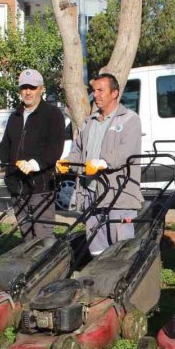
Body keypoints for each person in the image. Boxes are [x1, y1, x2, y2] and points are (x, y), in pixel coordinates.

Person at [60, 73, 142, 256]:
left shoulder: (129, 119)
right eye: (94, 90)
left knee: (121, 250)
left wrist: (103, 162)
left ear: (114, 93)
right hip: (91, 194)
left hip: (118, 195)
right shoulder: (88, 123)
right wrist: (68, 162)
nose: (95, 95)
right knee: (96, 248)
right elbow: (78, 150)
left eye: (100, 90)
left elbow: (126, 151)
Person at [0, 69, 65, 240]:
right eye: (24, 88)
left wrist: (35, 164)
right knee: (26, 236)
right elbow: (6, 145)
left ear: (41, 89)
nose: (28, 92)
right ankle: (29, 265)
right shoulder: (15, 116)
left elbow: (55, 148)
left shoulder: (52, 114)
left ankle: (49, 264)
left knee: (43, 237)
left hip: (40, 186)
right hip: (17, 186)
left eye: (32, 87)